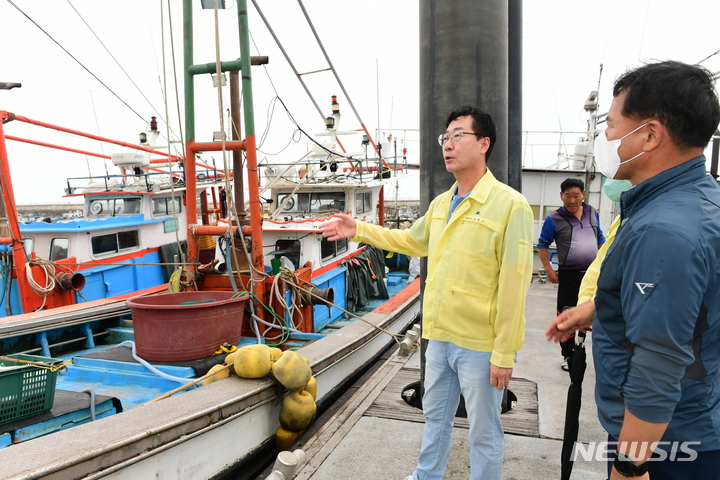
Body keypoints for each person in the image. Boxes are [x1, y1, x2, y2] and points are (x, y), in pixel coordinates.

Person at [320, 105, 534, 480]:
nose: (447, 145)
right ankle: (426, 476)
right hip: (438, 337)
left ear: (484, 144)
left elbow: (515, 285)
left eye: (458, 136)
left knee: (484, 430)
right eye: (444, 137)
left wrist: (505, 351)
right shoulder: (441, 204)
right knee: (435, 418)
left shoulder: (509, 205)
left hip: (480, 344)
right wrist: (359, 230)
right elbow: (409, 240)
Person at [546, 60, 720, 480]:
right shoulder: (695, 200)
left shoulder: (663, 229)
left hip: (669, 443)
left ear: (649, 134)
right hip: (686, 425)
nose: (604, 136)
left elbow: (659, 361)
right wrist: (598, 310)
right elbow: (688, 308)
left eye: (610, 123)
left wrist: (629, 466)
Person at [537, 178, 605, 371]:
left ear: (583, 194)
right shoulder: (554, 219)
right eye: (568, 196)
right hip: (569, 275)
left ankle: (586, 350)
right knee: (566, 313)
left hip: (592, 274)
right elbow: (542, 244)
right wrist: (548, 269)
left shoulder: (592, 212)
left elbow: (600, 238)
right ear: (561, 196)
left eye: (576, 195)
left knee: (593, 311)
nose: (572, 200)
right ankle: (568, 355)